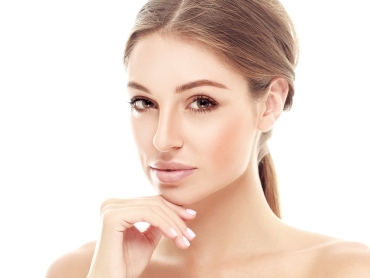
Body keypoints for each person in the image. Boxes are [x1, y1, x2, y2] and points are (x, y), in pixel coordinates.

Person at [46, 0, 370, 277]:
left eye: (202, 102)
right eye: (144, 102)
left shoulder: (344, 270)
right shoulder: (80, 270)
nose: (162, 139)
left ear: (270, 103)